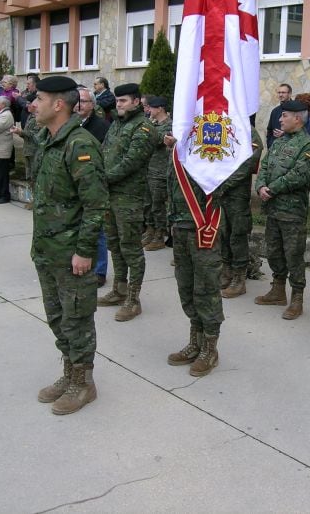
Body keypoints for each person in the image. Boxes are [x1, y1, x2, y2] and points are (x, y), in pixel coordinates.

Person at [31, 75, 108, 415]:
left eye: (40, 99)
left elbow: (95, 204)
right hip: (48, 250)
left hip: (71, 253)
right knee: (57, 317)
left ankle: (84, 383)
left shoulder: (80, 145)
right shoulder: (49, 140)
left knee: (77, 319)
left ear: (58, 104)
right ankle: (69, 373)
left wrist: (84, 251)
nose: (33, 105)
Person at [255, 98, 310, 319]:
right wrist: (260, 185)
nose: (280, 119)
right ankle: (277, 290)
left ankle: (297, 298)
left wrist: (271, 189)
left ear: (297, 118)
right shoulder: (279, 142)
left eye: (284, 116)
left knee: (293, 255)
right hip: (273, 209)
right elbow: (265, 165)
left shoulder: (308, 146)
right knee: (274, 251)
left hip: (292, 212)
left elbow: (298, 176)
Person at [96, 83, 156, 322]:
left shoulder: (144, 128)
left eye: (123, 101)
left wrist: (102, 178)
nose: (118, 104)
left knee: (131, 248)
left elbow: (131, 162)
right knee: (115, 244)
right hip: (109, 195)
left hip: (129, 198)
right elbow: (103, 152)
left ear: (136, 101)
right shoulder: (117, 125)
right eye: (117, 101)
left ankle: (133, 298)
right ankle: (119, 289)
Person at [166, 149, 225, 377]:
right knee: (186, 286)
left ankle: (210, 348)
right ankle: (195, 341)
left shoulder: (211, 141)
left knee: (207, 288)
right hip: (180, 224)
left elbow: (225, 179)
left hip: (203, 225)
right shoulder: (179, 146)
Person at [219, 124, 264, 298]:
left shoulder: (248, 130)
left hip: (236, 194)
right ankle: (227, 270)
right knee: (224, 232)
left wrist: (225, 184)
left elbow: (248, 163)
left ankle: (239, 278)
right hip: (221, 192)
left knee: (237, 234)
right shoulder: (223, 126)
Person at [74, 87, 110, 286]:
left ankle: (99, 270)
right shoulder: (70, 125)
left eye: (85, 101)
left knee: (98, 229)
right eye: (77, 100)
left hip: (94, 183)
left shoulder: (102, 126)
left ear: (93, 105)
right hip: (74, 184)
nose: (80, 105)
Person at [142, 96, 173, 252]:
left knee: (157, 205)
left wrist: (148, 130)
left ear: (159, 108)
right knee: (148, 203)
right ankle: (150, 229)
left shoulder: (169, 125)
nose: (148, 110)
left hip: (160, 172)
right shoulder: (152, 123)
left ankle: (159, 235)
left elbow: (157, 140)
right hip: (149, 169)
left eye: (151, 108)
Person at [265, 83, 292, 149]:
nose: (280, 95)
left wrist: (284, 134)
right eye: (279, 92)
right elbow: (270, 130)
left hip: (288, 151)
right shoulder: (275, 111)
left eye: (283, 92)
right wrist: (270, 144)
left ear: (289, 94)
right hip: (274, 149)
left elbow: (298, 131)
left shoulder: (295, 110)